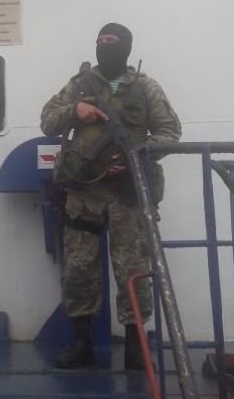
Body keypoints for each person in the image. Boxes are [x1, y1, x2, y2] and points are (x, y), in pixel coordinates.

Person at [40, 23, 181, 370]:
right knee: (79, 268)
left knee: (132, 268)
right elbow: (47, 120)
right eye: (101, 41)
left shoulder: (145, 87)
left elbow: (170, 132)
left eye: (112, 41)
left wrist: (136, 156)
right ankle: (82, 343)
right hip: (84, 192)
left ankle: (135, 344)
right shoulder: (79, 85)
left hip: (127, 193)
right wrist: (75, 111)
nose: (105, 46)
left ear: (126, 47)